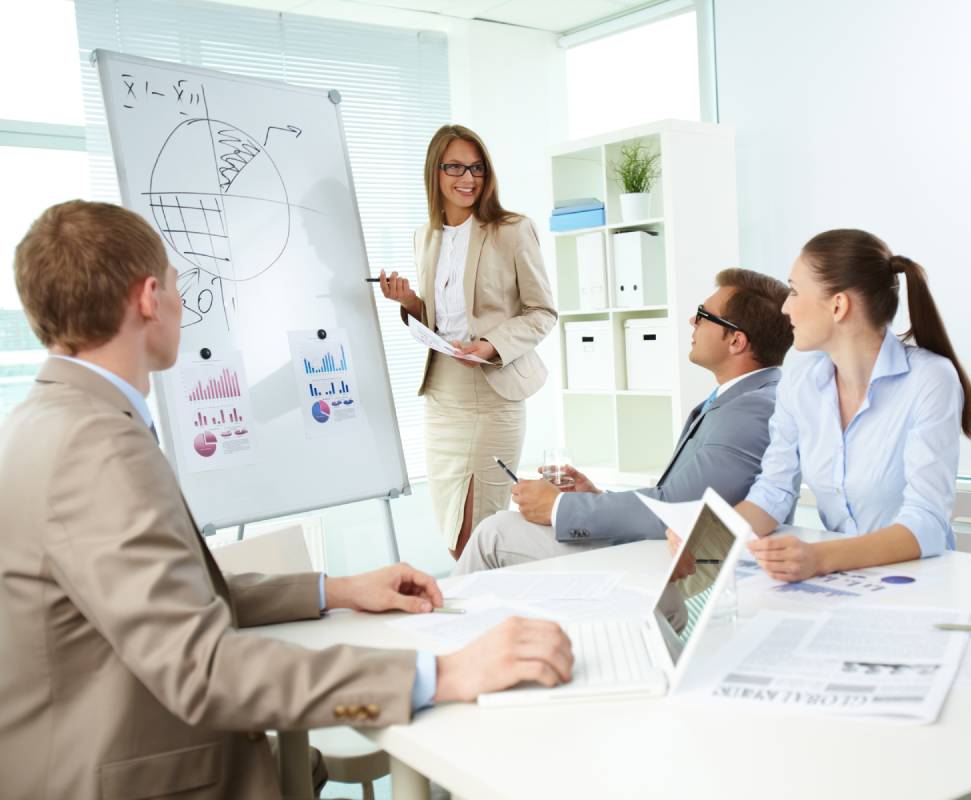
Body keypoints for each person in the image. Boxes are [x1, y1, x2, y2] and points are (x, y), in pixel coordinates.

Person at [0, 200, 572, 800]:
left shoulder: (54, 419)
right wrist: (442, 673)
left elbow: (174, 594)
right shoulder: (96, 447)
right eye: (174, 285)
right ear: (148, 298)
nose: (179, 302)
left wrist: (337, 591)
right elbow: (203, 668)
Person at [453, 268, 795, 574]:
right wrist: (595, 494)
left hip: (680, 563)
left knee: (493, 534)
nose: (693, 321)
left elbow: (677, 510)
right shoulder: (741, 398)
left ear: (736, 341)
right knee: (498, 530)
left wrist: (559, 507)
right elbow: (675, 496)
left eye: (704, 315)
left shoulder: (751, 412)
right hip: (664, 545)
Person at [724, 229, 971, 582]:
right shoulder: (799, 378)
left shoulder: (929, 379)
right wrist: (707, 539)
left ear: (838, 305)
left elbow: (927, 522)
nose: (785, 306)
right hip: (842, 584)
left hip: (917, 584)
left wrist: (820, 557)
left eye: (794, 291)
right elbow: (774, 490)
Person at [377, 124, 556, 560]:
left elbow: (542, 312)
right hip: (443, 395)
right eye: (455, 166)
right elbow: (440, 321)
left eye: (476, 168)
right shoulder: (425, 236)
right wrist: (409, 303)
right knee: (451, 530)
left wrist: (491, 345)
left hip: (492, 395)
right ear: (434, 172)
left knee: (476, 533)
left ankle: (500, 618)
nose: (468, 178)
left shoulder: (512, 230)